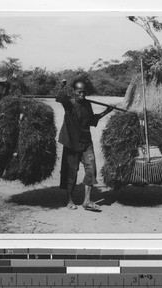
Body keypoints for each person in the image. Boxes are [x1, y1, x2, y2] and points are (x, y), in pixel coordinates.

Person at [56, 77, 113, 211]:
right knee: (71, 172)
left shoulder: (87, 104)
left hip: (85, 142)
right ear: (74, 91)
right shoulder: (69, 103)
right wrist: (62, 85)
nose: (82, 95)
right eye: (79, 92)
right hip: (71, 142)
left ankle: (87, 201)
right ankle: (69, 200)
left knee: (91, 168)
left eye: (84, 92)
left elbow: (92, 120)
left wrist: (106, 111)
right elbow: (59, 97)